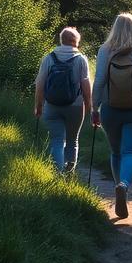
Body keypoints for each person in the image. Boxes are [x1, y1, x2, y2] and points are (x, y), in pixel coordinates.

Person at [92, 13, 132, 219]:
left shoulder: (105, 49)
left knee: (116, 152)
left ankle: (117, 185)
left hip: (110, 109)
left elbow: (100, 81)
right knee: (130, 151)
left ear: (114, 28)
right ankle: (124, 185)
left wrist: (94, 108)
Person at [34, 27, 92, 173]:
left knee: (56, 140)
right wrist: (89, 106)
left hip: (52, 105)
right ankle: (69, 171)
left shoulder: (49, 57)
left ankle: (57, 173)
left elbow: (40, 84)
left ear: (62, 41)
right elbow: (86, 86)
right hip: (75, 106)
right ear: (75, 42)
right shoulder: (81, 59)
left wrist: (39, 106)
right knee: (73, 140)